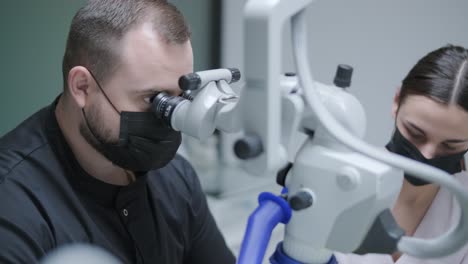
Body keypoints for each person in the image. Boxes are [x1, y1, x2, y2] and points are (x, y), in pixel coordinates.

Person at [0, 0, 235, 263]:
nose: (170, 119)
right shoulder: (12, 205)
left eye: (180, 97)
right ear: (82, 87)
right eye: (153, 99)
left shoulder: (177, 180)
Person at [335, 45, 468, 263]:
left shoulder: (462, 211)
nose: (427, 155)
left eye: (450, 146)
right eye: (416, 133)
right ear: (396, 101)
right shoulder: (340, 179)